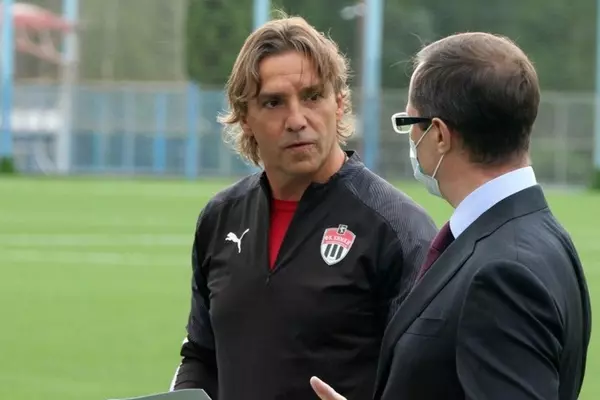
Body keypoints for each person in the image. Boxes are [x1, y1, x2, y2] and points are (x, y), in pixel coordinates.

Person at [310, 32, 592, 400]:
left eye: (411, 122)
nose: (411, 137)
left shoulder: (503, 274)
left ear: (440, 135)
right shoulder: (540, 235)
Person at [169, 15, 438, 400]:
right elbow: (201, 353)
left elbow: (426, 378)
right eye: (274, 102)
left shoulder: (398, 229)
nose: (296, 120)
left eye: (312, 96)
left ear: (339, 104)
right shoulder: (220, 218)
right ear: (245, 119)